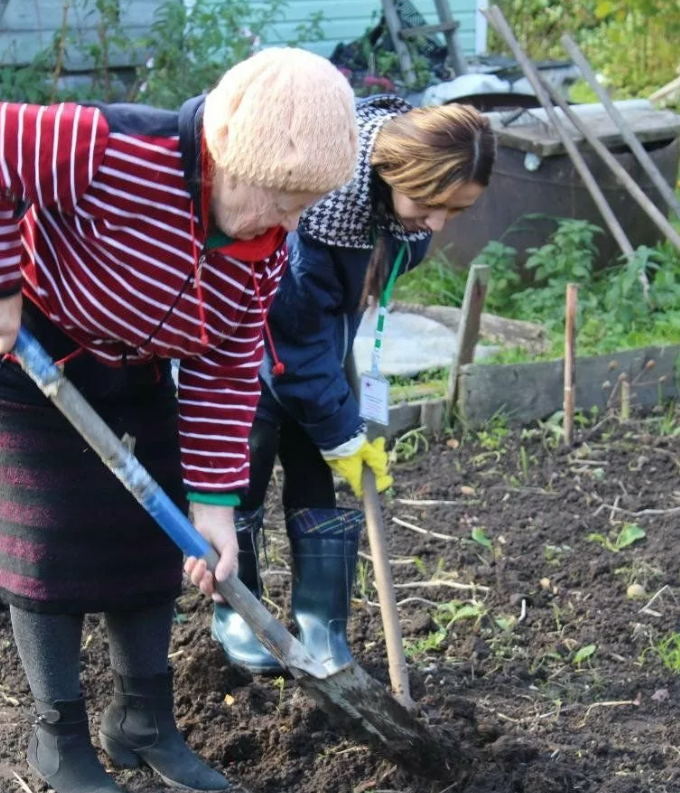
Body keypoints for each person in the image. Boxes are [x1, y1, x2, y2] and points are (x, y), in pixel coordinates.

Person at [0, 48, 359, 793]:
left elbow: (227, 367)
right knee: (51, 532)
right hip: (14, 341)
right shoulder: (119, 151)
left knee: (151, 523)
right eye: (282, 194)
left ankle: (143, 720)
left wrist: (215, 507)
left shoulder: (261, 250)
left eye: (306, 201)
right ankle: (57, 737)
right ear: (228, 152)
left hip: (126, 353)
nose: (291, 220)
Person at [211, 96, 496, 675]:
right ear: (396, 174)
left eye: (455, 211)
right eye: (433, 205)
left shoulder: (396, 193)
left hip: (318, 348)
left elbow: (328, 326)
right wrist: (344, 431)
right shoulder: (320, 215)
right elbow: (289, 344)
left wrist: (346, 418)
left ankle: (322, 628)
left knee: (316, 475)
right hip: (251, 357)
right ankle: (238, 613)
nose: (439, 223)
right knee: (244, 477)